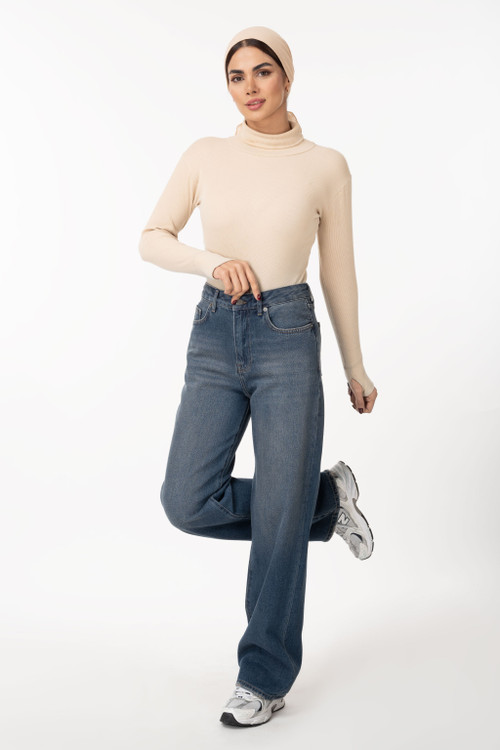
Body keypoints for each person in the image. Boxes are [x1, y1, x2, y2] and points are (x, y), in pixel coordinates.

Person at [138, 25, 378, 728]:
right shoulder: (206, 154)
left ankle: (263, 677)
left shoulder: (324, 165)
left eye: (262, 72)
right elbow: (152, 237)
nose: (249, 87)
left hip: (288, 336)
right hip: (215, 332)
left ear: (287, 76)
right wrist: (211, 262)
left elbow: (338, 269)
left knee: (278, 515)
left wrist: (355, 365)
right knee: (186, 499)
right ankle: (325, 501)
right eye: (236, 76)